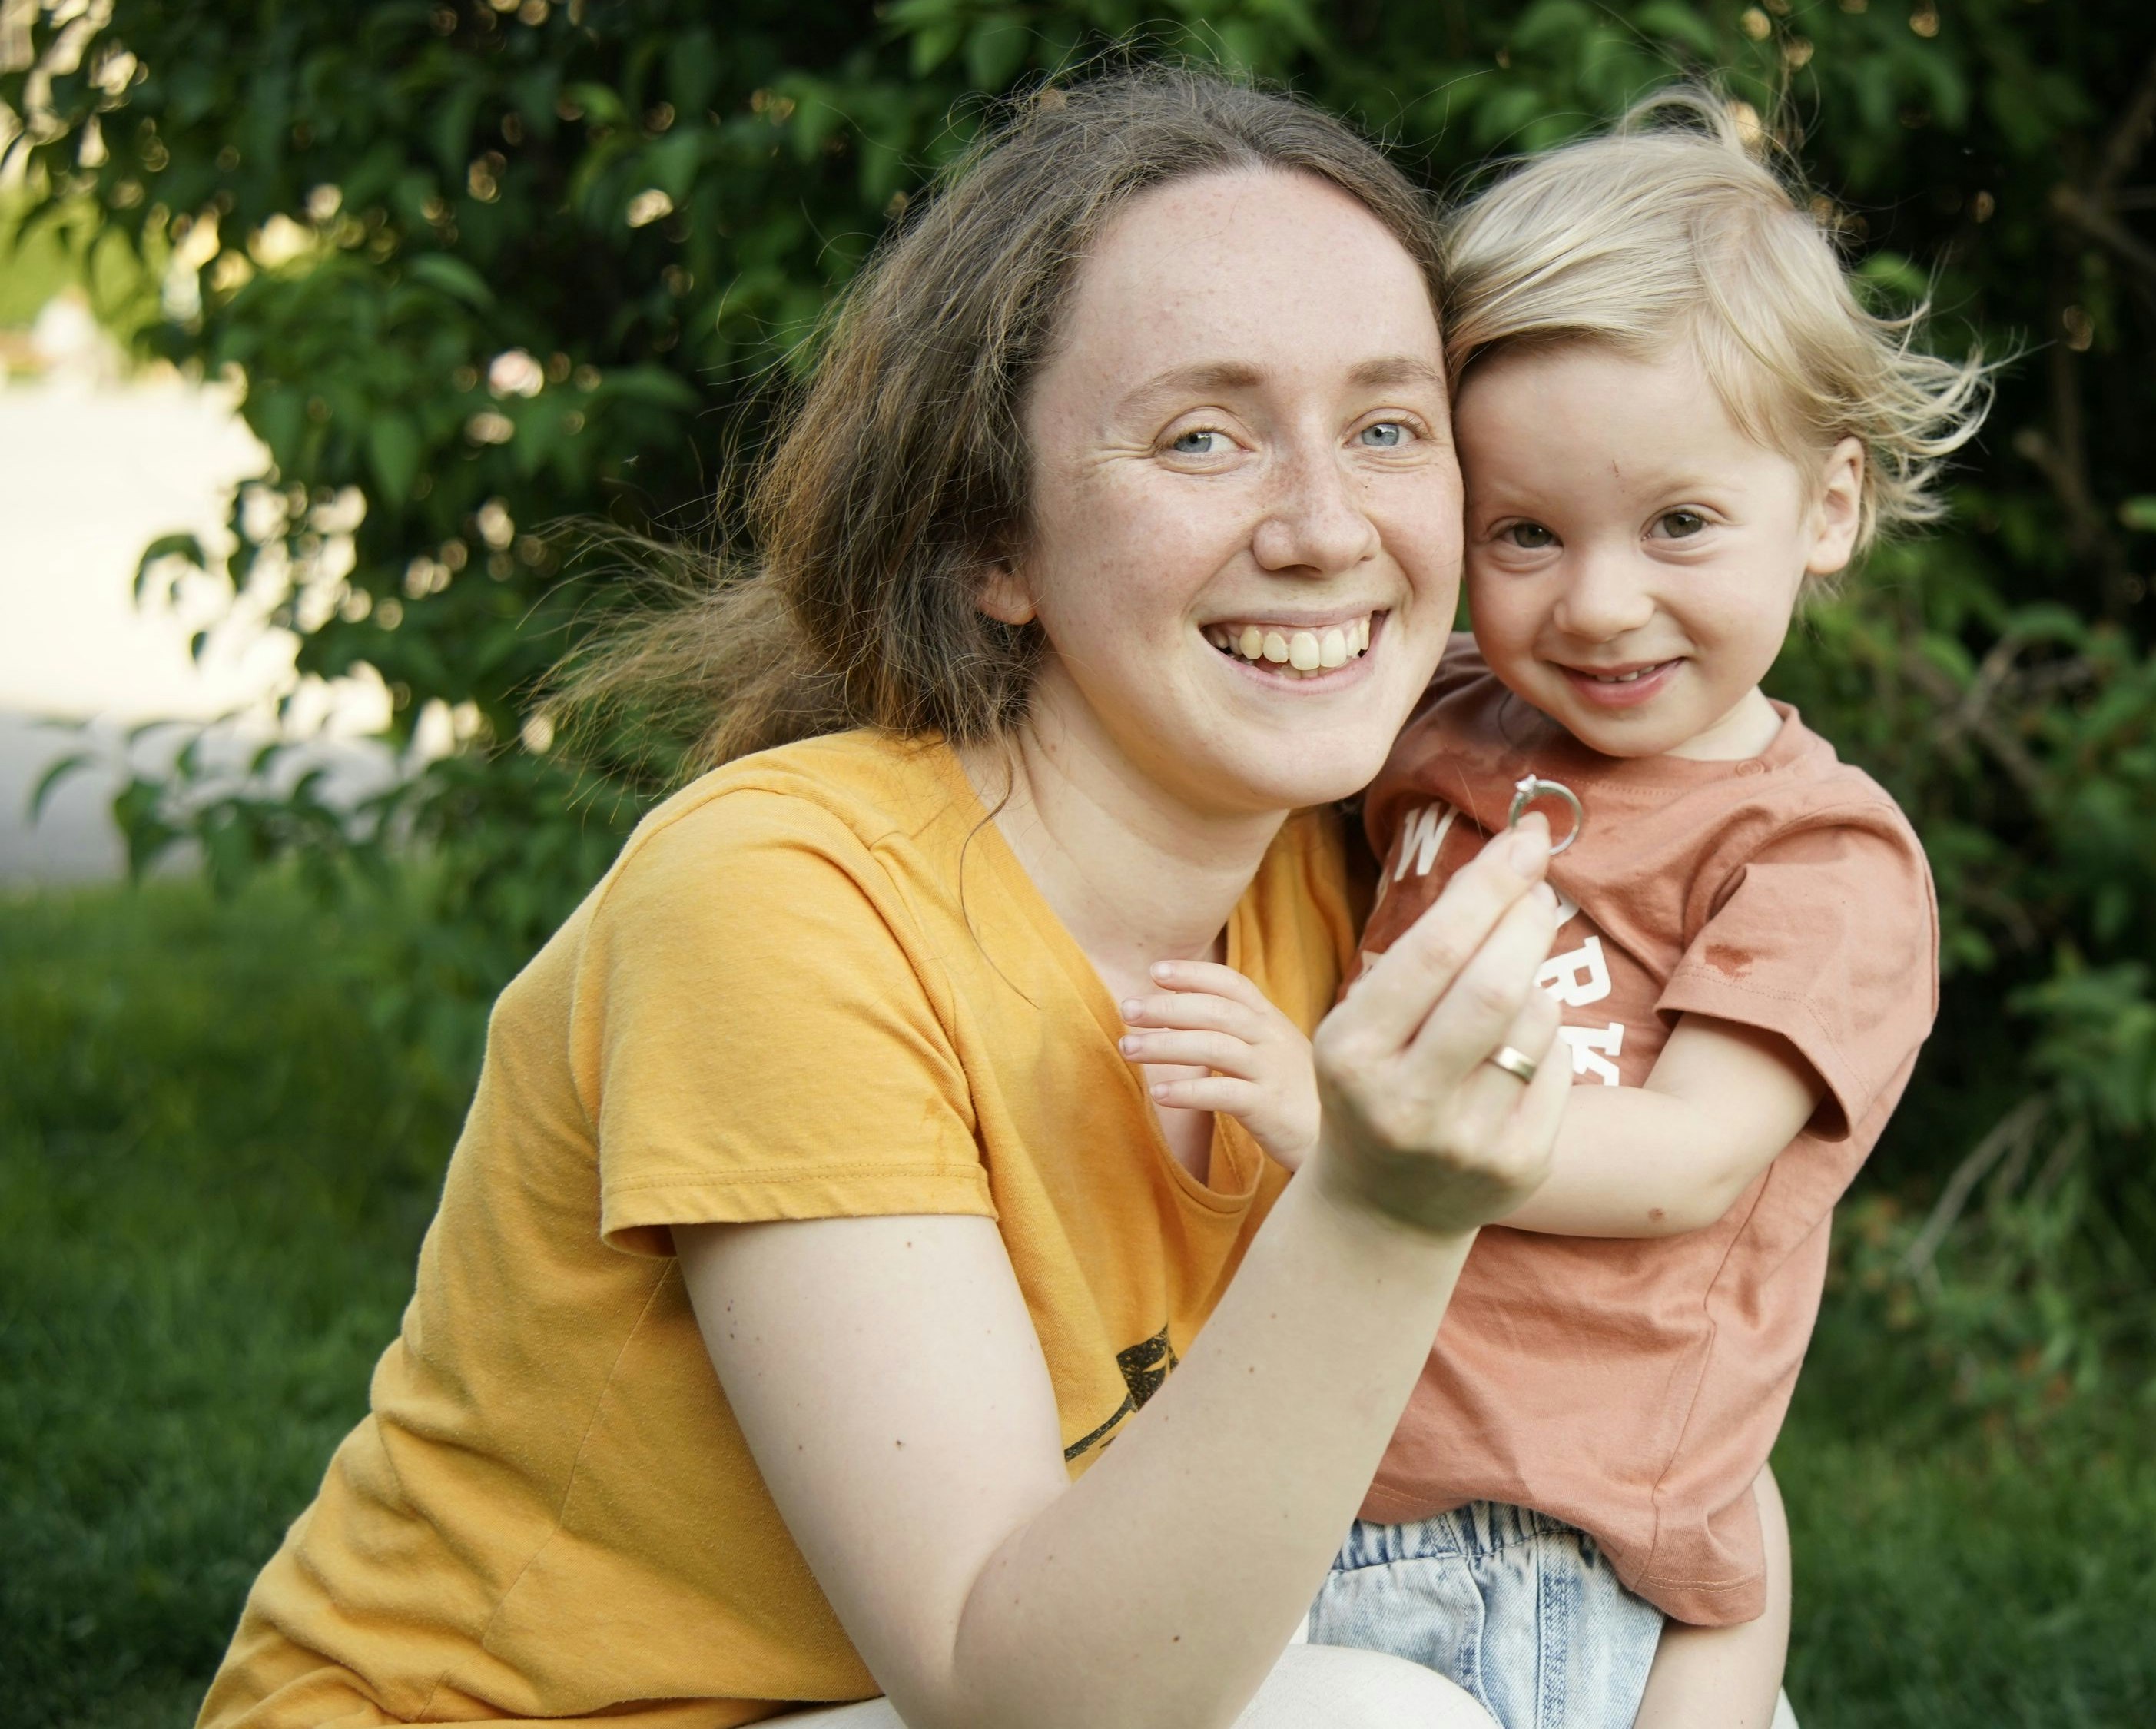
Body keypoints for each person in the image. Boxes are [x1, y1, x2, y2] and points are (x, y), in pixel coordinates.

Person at [197, 69, 1573, 1729]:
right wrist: (1380, 1211)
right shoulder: (780, 905)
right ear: (994, 539)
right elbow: (1021, 1706)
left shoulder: (1343, 874)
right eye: (1202, 436)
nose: (1321, 525)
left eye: (1384, 428)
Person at [1116, 96, 1988, 1729]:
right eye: (1524, 533)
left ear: (1828, 509)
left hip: (1532, 1526)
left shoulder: (1813, 859)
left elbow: (1681, 1169)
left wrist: (1347, 1129)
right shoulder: (1447, 721)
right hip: (1308, 1456)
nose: (1595, 602)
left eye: (1677, 525)